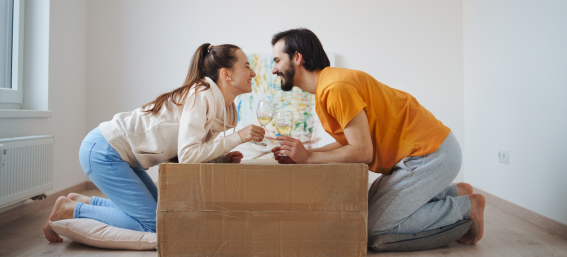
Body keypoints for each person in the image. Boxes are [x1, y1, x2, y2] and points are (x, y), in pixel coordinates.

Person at [269, 28, 485, 245]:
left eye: (277, 60)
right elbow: (350, 142)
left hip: (430, 155)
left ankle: (466, 207)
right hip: (414, 158)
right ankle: (454, 192)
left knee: (375, 229)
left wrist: (308, 158)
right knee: (364, 213)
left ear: (297, 57)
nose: (273, 69)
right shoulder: (328, 87)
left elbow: (362, 151)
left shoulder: (335, 88)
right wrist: (305, 153)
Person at [43, 43, 265, 242]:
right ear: (226, 73)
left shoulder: (221, 106)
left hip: (125, 158)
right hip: (104, 150)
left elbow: (189, 148)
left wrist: (220, 158)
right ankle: (73, 210)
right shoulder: (201, 95)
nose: (253, 73)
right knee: (155, 224)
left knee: (162, 212)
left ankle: (81, 202)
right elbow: (188, 155)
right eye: (246, 66)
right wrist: (237, 137)